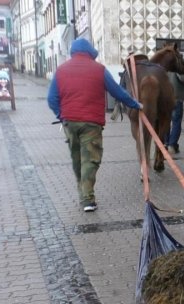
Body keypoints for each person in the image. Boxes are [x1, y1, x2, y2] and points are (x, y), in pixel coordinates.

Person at [47, 38, 142, 212]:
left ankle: (83, 192)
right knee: (90, 159)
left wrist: (61, 115)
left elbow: (51, 99)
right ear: (91, 53)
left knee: (77, 158)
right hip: (91, 123)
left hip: (69, 123)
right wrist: (135, 104)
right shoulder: (99, 70)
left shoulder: (60, 71)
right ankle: (87, 199)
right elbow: (117, 91)